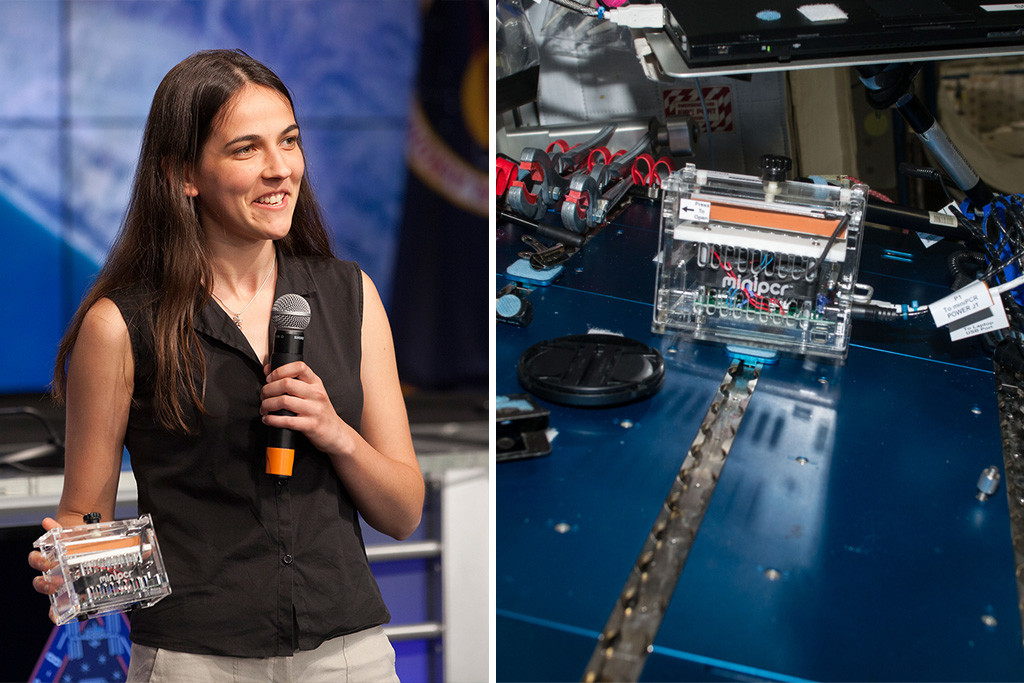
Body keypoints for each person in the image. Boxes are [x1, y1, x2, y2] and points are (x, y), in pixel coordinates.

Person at [27, 49, 423, 682]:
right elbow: (86, 517)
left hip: (347, 654)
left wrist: (333, 431)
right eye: (246, 150)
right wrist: (71, 566)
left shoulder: (350, 295)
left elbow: (403, 512)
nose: (279, 170)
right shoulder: (119, 324)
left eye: (289, 142)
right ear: (186, 174)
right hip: (194, 661)